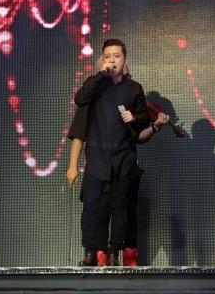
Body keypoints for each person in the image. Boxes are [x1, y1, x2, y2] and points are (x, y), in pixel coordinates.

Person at [70, 39, 150, 266]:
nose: (112, 60)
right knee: (91, 206)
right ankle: (89, 251)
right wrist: (101, 76)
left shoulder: (134, 88)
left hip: (123, 157)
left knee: (119, 207)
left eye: (116, 56)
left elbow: (145, 117)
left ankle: (114, 252)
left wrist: (134, 117)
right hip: (97, 157)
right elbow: (79, 99)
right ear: (102, 60)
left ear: (124, 60)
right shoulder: (95, 84)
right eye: (107, 56)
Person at [67, 101, 169, 266]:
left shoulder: (131, 99)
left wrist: (155, 126)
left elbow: (137, 136)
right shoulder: (93, 100)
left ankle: (122, 255)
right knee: (100, 214)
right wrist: (72, 166)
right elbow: (79, 134)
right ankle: (98, 255)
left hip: (125, 168)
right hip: (101, 168)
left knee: (126, 213)